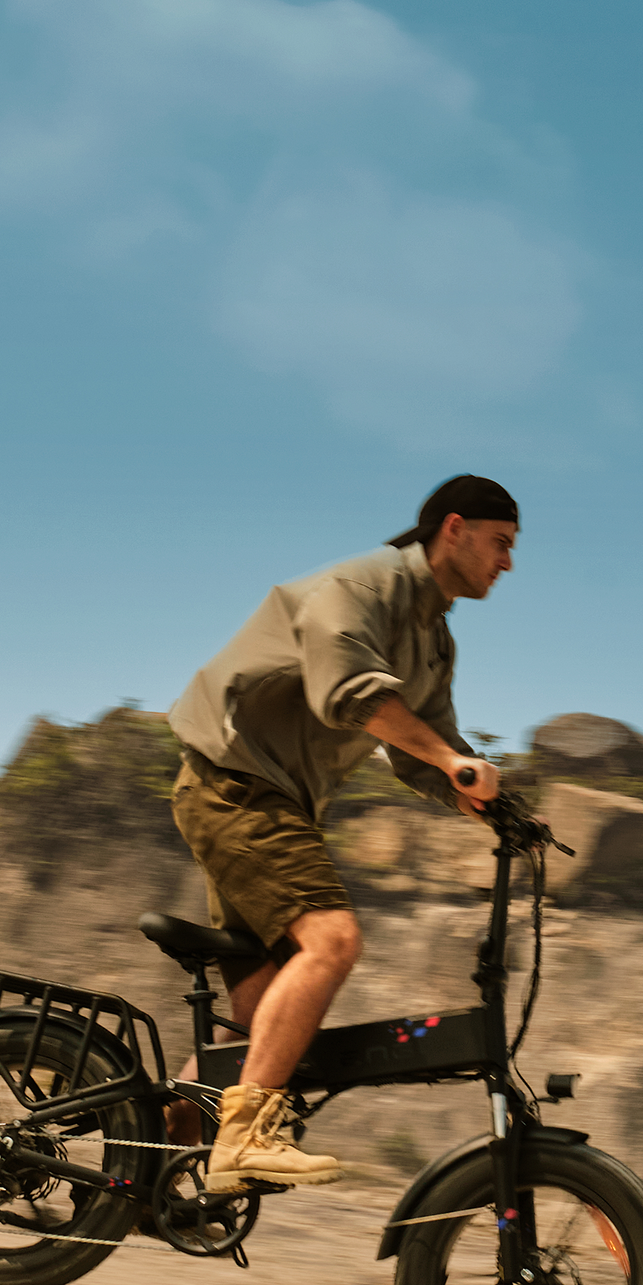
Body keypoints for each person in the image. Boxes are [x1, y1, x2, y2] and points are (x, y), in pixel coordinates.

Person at [167, 473, 519, 1191]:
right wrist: (452, 759)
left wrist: (495, 807)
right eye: (501, 543)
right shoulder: (363, 587)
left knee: (256, 1023)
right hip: (235, 783)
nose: (508, 562)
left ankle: (150, 1170)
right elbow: (349, 693)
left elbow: (426, 754)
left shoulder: (433, 641)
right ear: (454, 528)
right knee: (333, 940)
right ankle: (244, 1138)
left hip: (273, 803)